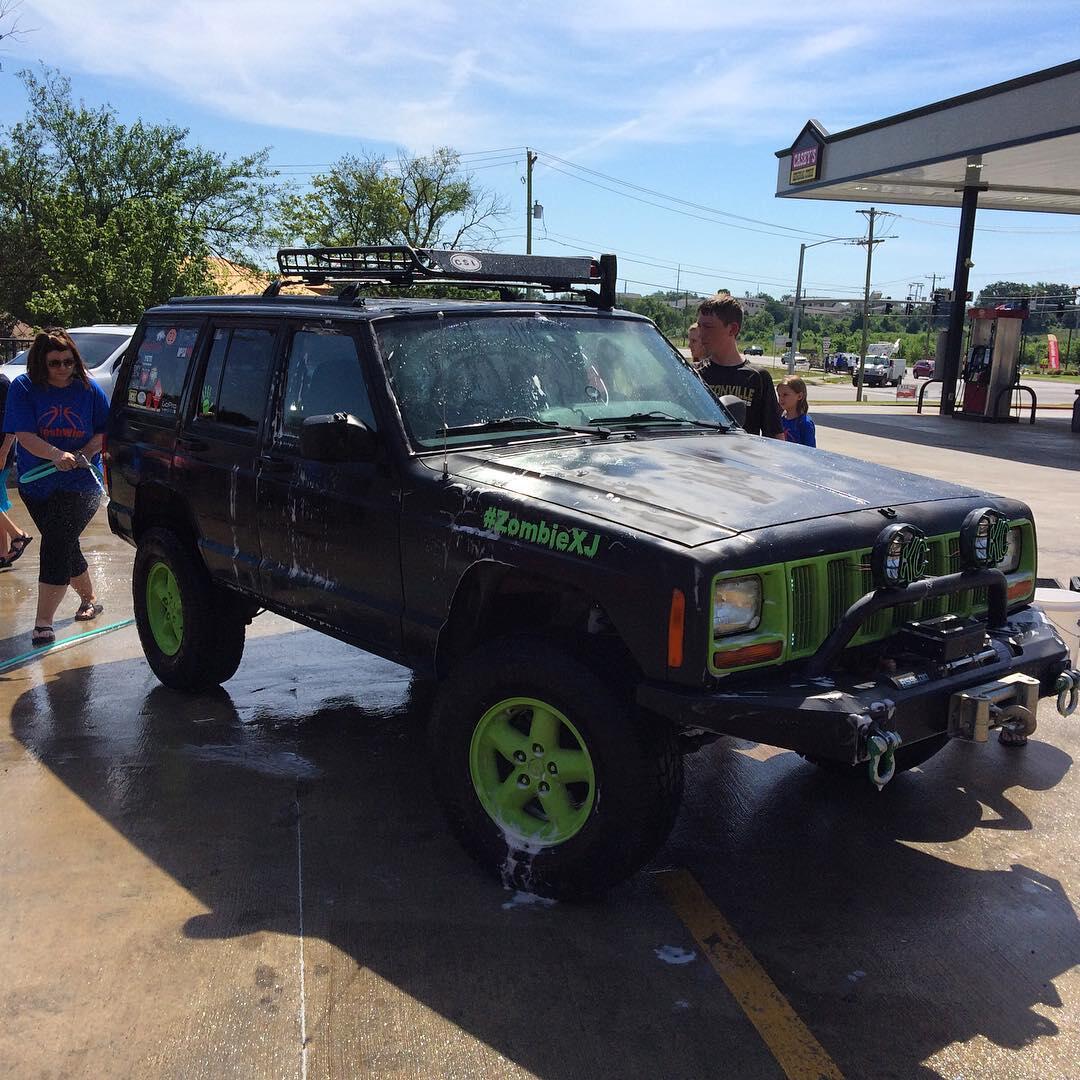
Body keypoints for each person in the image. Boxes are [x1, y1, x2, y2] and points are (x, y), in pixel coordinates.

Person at [3, 328, 110, 644]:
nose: (63, 369)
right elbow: (24, 435)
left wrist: (85, 452)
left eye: (68, 362)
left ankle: (43, 622)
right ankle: (89, 599)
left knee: (55, 542)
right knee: (64, 542)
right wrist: (56, 454)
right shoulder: (24, 387)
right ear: (41, 363)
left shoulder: (89, 389)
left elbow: (104, 430)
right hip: (36, 484)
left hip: (82, 484)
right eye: (55, 363)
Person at [695, 293, 783, 438]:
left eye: (708, 327)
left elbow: (775, 436)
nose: (701, 334)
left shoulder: (757, 378)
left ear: (733, 329)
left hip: (742, 452)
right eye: (699, 326)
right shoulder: (694, 375)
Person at [0, 370, 34, 568]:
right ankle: (3, 554)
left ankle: (17, 535)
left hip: (1, 451)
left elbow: (12, 422)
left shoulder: (3, 383)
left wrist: (4, 452)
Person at [777, 375, 817, 447]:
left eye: (785, 395)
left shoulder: (805, 423)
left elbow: (810, 450)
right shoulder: (780, 419)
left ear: (799, 396)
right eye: (779, 395)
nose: (781, 398)